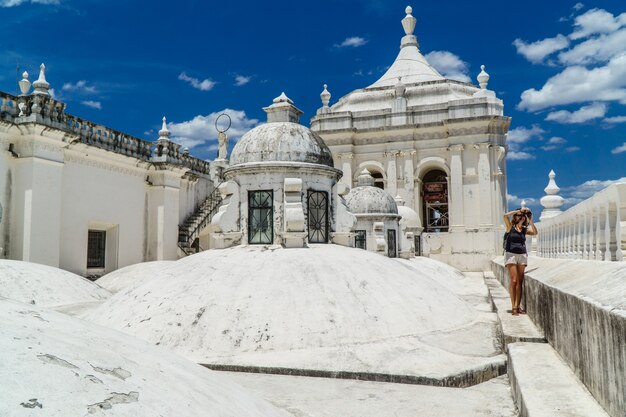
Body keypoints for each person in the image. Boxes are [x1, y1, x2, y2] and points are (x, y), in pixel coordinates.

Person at [503, 207, 537, 316]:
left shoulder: (524, 229)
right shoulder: (510, 227)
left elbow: (535, 232)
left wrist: (530, 219)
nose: (520, 217)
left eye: (522, 216)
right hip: (511, 255)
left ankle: (518, 306)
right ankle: (513, 307)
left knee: (520, 282)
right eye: (518, 215)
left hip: (522, 255)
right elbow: (505, 216)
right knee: (514, 281)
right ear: (515, 217)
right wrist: (518, 211)